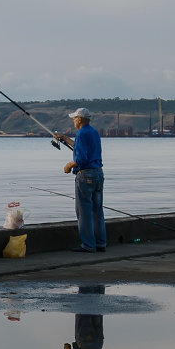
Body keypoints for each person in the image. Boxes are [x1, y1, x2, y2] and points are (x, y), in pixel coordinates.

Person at [54, 107, 106, 253]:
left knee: (83, 211)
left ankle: (88, 245)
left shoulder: (82, 133)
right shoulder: (93, 132)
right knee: (97, 211)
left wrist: (69, 165)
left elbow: (81, 158)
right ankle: (101, 243)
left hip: (86, 176)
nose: (73, 120)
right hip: (98, 174)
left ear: (80, 119)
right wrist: (63, 138)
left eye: (74, 118)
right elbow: (81, 148)